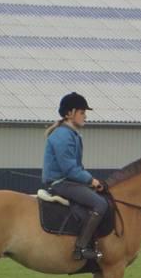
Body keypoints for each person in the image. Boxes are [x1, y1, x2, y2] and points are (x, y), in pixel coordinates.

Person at [42, 92, 108, 261]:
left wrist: (90, 181)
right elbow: (70, 168)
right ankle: (81, 248)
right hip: (61, 183)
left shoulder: (71, 134)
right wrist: (91, 180)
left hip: (68, 181)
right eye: (82, 112)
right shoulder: (63, 135)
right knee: (100, 204)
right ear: (70, 113)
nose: (85, 116)